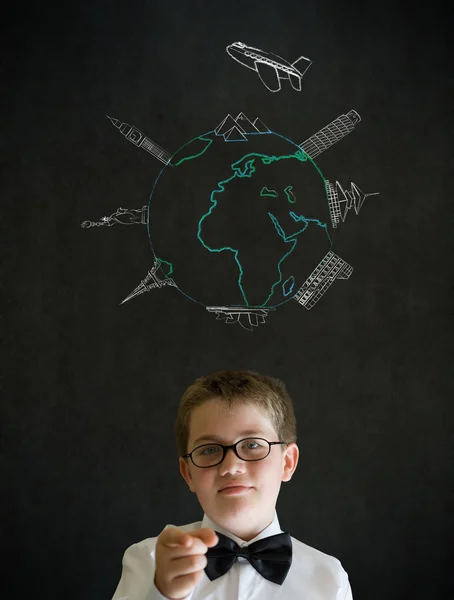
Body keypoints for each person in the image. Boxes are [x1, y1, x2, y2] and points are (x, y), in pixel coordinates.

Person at [111, 370, 353, 599]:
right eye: (209, 450)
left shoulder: (329, 579)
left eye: (252, 444)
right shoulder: (147, 560)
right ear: (188, 474)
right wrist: (162, 594)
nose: (231, 466)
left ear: (287, 462)